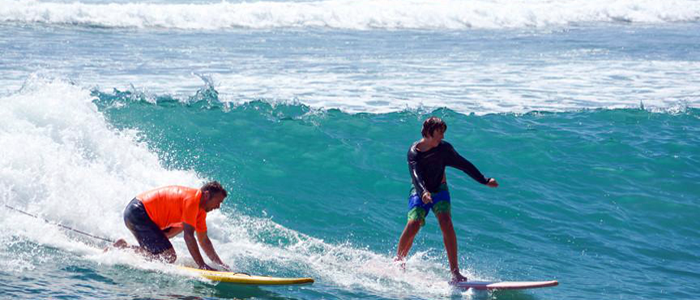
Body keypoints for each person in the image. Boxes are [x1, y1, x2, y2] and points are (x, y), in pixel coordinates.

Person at [395, 117, 498, 283]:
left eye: (443, 133)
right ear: (428, 133)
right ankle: (398, 261)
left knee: (446, 222)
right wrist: (423, 193)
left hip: (440, 190)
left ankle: (455, 272)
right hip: (420, 190)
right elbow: (416, 176)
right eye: (439, 133)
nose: (442, 137)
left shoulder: (444, 149)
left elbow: (464, 164)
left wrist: (484, 180)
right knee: (414, 223)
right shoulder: (414, 152)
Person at [113, 181, 230, 271]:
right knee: (169, 256)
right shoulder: (192, 200)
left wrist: (220, 265)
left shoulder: (200, 212)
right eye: (218, 202)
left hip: (146, 216)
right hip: (138, 212)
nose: (218, 206)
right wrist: (202, 265)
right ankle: (124, 250)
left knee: (168, 246)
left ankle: (124, 248)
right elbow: (189, 237)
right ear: (207, 195)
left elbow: (204, 240)